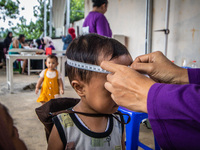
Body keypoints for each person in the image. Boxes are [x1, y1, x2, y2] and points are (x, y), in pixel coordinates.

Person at [100, 51, 200, 149]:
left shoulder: (118, 121)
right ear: (83, 88)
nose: (116, 91)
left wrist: (151, 95)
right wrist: (182, 75)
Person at [47, 34, 132, 150]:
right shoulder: (63, 125)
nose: (121, 94)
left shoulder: (118, 121)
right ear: (79, 88)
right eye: (111, 87)